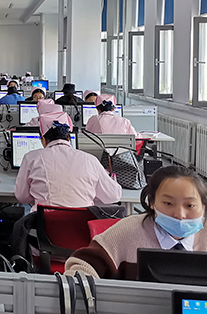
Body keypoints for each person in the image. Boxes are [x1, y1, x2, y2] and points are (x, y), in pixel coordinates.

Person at [64, 166, 207, 280]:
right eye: (168, 203)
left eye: (190, 205)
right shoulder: (126, 231)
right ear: (152, 202)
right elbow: (82, 267)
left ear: (203, 206)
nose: (179, 215)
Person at [14, 112, 122, 211]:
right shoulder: (90, 160)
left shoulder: (31, 158)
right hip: (81, 224)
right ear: (69, 138)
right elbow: (113, 196)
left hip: (45, 223)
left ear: (43, 139)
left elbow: (22, 197)